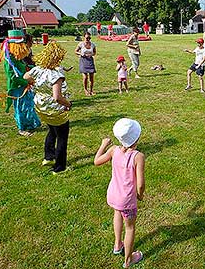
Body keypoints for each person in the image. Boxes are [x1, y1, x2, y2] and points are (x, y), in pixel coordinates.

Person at [94, 118, 145, 268]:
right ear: (137, 137)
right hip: (127, 200)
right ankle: (128, 260)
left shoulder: (113, 150)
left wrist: (103, 145)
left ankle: (117, 245)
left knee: (117, 213)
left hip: (113, 194)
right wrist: (140, 195)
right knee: (130, 228)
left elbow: (96, 161)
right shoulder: (138, 156)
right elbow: (141, 184)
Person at [24, 42, 71, 174]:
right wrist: (68, 104)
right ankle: (59, 167)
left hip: (41, 108)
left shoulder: (38, 69)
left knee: (52, 130)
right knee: (62, 136)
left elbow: (25, 77)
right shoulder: (55, 76)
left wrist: (37, 86)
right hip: (55, 110)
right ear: (57, 59)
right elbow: (57, 97)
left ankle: (48, 157)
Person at [0, 29, 41, 136]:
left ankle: (30, 125)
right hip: (17, 88)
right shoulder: (9, 60)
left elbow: (23, 67)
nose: (23, 45)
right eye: (20, 43)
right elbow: (13, 77)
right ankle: (22, 128)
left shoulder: (17, 57)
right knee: (20, 108)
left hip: (24, 85)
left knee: (28, 105)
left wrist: (35, 68)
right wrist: (26, 82)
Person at [75, 32, 97, 96]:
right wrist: (81, 54)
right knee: (85, 77)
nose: (88, 39)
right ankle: (85, 90)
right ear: (84, 37)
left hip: (90, 61)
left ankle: (91, 90)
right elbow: (75, 51)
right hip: (83, 60)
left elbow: (95, 52)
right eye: (87, 38)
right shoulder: (81, 44)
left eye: (89, 38)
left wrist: (91, 54)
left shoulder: (93, 44)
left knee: (91, 77)